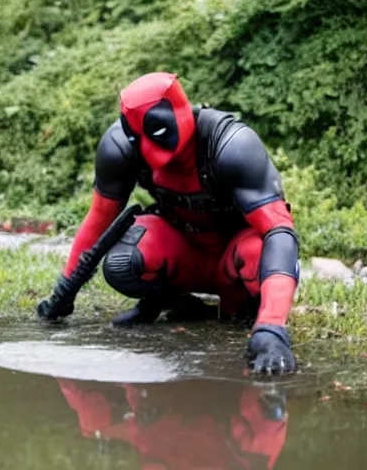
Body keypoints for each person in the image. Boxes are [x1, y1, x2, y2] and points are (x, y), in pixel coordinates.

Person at [38, 72, 300, 374]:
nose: (148, 152)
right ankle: (176, 303)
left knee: (259, 251)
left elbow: (279, 232)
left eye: (157, 134)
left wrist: (271, 329)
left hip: (235, 258)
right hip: (184, 248)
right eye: (139, 140)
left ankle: (251, 313)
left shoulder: (231, 145)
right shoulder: (121, 148)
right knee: (123, 261)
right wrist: (63, 293)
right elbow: (98, 220)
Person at [57, 378, 288, 470]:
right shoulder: (256, 455)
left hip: (164, 399)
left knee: (95, 419)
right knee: (267, 417)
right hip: (213, 395)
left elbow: (140, 438)